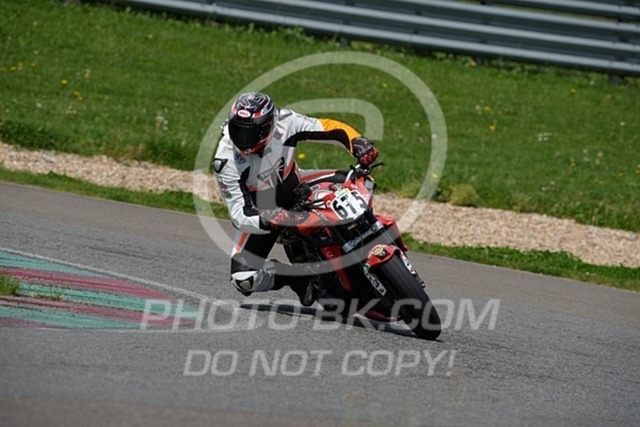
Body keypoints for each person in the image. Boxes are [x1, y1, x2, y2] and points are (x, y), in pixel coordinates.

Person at [213, 92, 379, 306]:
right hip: (266, 213)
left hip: (299, 186)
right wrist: (269, 220)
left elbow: (329, 128)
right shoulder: (225, 160)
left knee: (361, 181)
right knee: (243, 279)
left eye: (253, 133)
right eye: (238, 130)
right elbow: (238, 213)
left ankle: (372, 233)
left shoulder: (285, 122)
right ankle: (294, 277)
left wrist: (357, 142)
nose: (244, 140)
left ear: (270, 124)